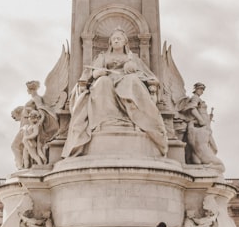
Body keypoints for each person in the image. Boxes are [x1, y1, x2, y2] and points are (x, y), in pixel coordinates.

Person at [63, 28, 168, 158]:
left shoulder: (132, 58)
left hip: (126, 81)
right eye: (114, 39)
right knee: (103, 82)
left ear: (125, 42)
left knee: (132, 81)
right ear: (110, 43)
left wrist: (135, 72)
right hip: (107, 82)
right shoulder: (103, 57)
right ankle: (107, 121)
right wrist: (96, 73)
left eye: (119, 38)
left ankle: (134, 119)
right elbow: (89, 74)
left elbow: (147, 75)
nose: (116, 40)